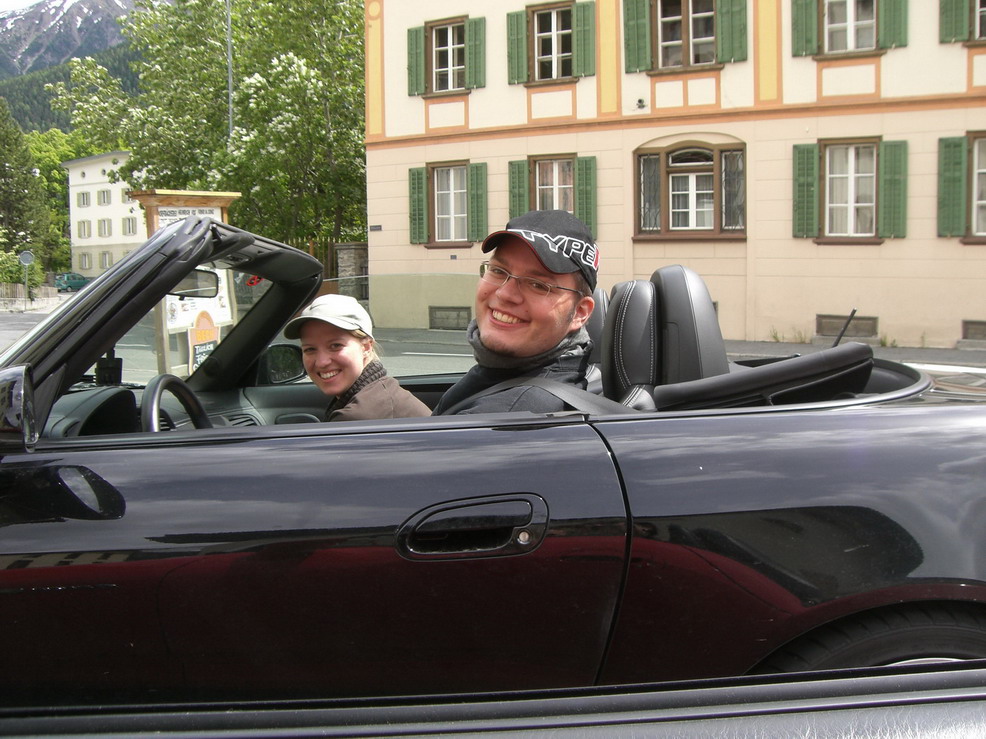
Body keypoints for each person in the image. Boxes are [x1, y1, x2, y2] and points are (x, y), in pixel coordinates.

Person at [434, 209, 598, 415]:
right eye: (498, 271)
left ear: (579, 313)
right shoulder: (504, 374)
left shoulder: (505, 417)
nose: (505, 294)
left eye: (537, 285)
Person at [283, 294, 431, 422]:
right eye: (310, 349)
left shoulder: (357, 417)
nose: (322, 362)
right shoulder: (380, 392)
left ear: (366, 347)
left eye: (336, 346)